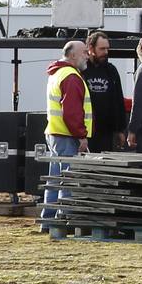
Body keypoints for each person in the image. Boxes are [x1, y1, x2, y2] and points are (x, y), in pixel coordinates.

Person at [40, 40, 94, 222]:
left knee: (55, 179)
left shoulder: (57, 73)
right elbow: (71, 112)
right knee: (68, 179)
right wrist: (81, 135)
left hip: (55, 134)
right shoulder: (71, 77)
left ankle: (48, 219)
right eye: (85, 52)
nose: (88, 55)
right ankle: (64, 219)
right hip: (67, 136)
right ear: (73, 55)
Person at [82, 30, 127, 154]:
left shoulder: (111, 70)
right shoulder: (81, 69)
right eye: (102, 49)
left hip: (106, 132)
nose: (106, 52)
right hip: (85, 130)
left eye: (107, 49)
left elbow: (118, 100)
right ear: (91, 48)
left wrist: (120, 130)